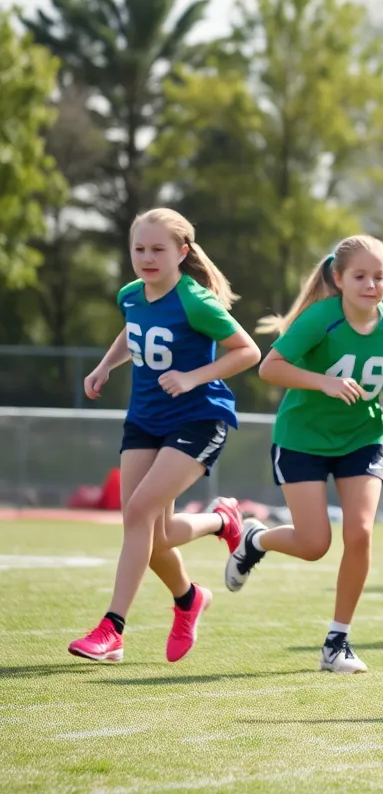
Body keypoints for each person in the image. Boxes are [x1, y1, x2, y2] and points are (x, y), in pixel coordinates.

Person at [68, 208, 260, 664]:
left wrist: (194, 377)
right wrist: (104, 366)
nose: (147, 257)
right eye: (140, 249)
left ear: (182, 252)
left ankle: (112, 628)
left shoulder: (195, 300)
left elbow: (247, 351)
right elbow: (132, 331)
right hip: (145, 420)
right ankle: (199, 575)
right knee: (151, 535)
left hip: (198, 418)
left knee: (138, 514)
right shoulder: (132, 294)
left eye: (158, 249)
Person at [224, 235, 383, 674]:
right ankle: (255, 539)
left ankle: (337, 641)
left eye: (379, 277)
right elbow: (270, 367)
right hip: (302, 439)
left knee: (361, 532)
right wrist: (323, 382)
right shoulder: (320, 320)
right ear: (338, 278)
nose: (371, 285)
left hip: (362, 438)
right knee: (314, 545)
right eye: (360, 276)